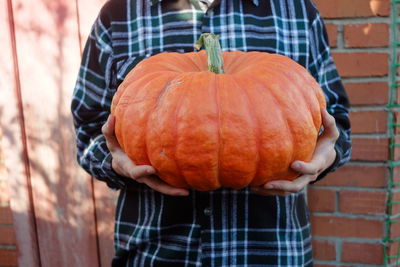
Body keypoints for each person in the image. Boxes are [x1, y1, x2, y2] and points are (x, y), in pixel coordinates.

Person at [71, 0, 351, 266]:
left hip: (272, 253)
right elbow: (88, 130)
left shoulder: (296, 10)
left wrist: (326, 155)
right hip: (158, 254)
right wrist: (115, 163)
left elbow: (335, 122)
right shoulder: (120, 13)